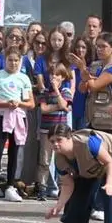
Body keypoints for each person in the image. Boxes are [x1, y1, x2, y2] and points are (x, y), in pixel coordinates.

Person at [71, 32, 112, 223]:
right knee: (85, 174)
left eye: (104, 46)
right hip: (93, 123)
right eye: (98, 46)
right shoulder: (95, 65)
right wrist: (86, 75)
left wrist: (85, 72)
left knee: (110, 176)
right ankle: (78, 222)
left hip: (111, 127)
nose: (100, 49)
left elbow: (94, 85)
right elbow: (82, 88)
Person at [46, 124, 112, 223]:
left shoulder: (88, 143)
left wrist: (109, 183)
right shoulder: (59, 159)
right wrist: (58, 207)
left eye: (59, 140)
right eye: (52, 141)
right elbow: (67, 185)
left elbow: (109, 162)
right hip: (91, 166)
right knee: (80, 188)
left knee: (109, 191)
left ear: (69, 137)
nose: (55, 144)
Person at [0, 48, 36, 203]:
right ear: (5, 60)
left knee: (15, 151)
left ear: (20, 62)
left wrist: (19, 103)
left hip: (19, 116)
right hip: (2, 116)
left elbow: (31, 103)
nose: (13, 63)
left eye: (16, 60)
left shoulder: (24, 78)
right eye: (10, 60)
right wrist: (6, 103)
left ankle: (10, 186)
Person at [36, 60, 74, 200]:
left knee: (62, 161)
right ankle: (42, 187)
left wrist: (57, 92)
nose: (53, 78)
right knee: (45, 160)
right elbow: (44, 109)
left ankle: (62, 187)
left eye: (57, 75)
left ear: (62, 77)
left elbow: (66, 105)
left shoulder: (65, 91)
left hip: (61, 132)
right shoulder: (45, 92)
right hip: (46, 130)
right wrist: (60, 107)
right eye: (51, 74)